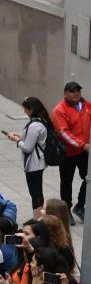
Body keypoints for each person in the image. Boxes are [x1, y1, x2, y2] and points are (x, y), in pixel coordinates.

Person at [8, 97, 54, 218]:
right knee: (37, 191)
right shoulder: (40, 121)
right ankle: (38, 216)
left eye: (26, 109)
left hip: (34, 164)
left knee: (35, 193)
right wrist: (21, 137)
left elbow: (28, 148)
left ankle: (37, 218)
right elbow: (32, 140)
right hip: (38, 162)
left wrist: (17, 140)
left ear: (32, 109)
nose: (25, 112)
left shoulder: (35, 125)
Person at [51, 81, 89, 222]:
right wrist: (82, 145)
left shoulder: (86, 106)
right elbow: (63, 133)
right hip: (68, 152)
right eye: (72, 91)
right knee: (66, 182)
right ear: (65, 93)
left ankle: (80, 205)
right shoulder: (59, 110)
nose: (76, 93)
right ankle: (66, 210)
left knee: (88, 178)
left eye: (78, 90)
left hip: (83, 151)